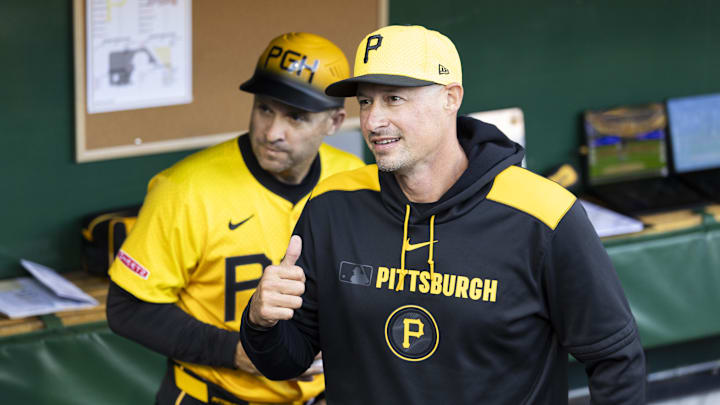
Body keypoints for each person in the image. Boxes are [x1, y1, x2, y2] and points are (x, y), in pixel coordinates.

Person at [240, 25, 646, 404]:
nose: (374, 120)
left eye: (393, 98)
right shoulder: (333, 203)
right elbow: (287, 362)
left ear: (450, 98)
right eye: (365, 101)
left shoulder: (543, 214)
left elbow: (615, 359)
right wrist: (260, 320)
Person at [106, 32, 364, 405]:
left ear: (335, 121)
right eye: (264, 109)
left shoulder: (350, 180)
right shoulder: (184, 189)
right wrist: (238, 351)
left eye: (296, 117)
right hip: (213, 396)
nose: (273, 132)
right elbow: (126, 309)